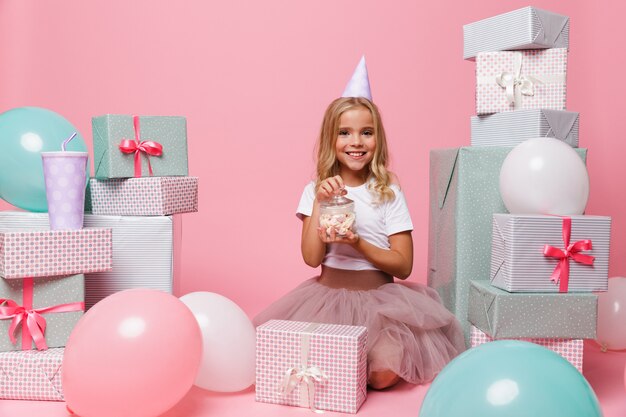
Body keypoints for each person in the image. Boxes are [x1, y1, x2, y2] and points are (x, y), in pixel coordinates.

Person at [254, 57, 465, 389]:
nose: (356, 142)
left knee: (380, 377)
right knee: (320, 364)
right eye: (345, 133)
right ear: (331, 139)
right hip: (326, 299)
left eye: (366, 133)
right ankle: (341, 370)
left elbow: (404, 264)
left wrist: (358, 243)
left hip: (382, 302)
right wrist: (321, 204)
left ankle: (357, 367)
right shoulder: (317, 190)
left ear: (377, 139)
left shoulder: (387, 191)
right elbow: (311, 258)